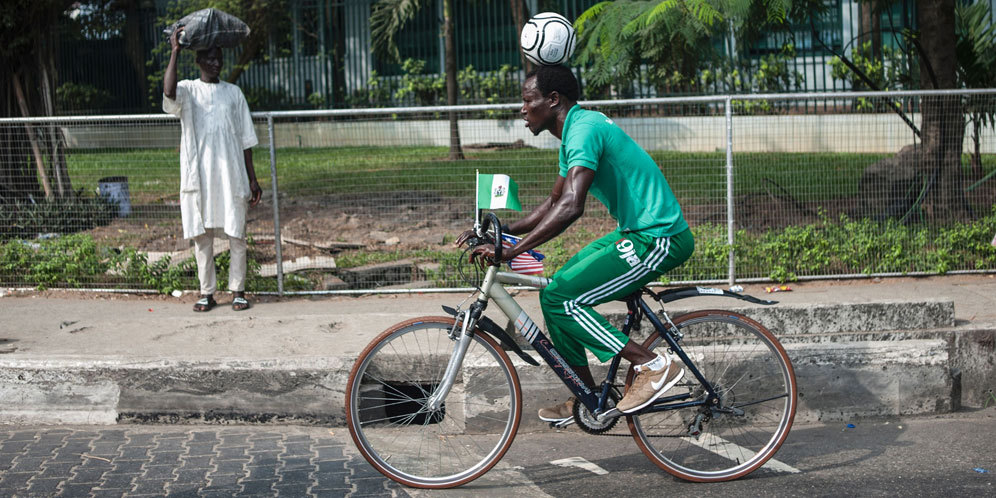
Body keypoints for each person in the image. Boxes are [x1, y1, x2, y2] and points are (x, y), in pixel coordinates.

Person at [460, 65, 695, 423]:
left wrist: (512, 250)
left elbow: (572, 206)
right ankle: (588, 399)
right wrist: (503, 231)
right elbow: (554, 201)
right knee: (554, 292)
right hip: (635, 232)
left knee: (563, 299)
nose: (522, 109)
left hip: (660, 237)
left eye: (528, 101)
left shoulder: (583, 130)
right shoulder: (573, 132)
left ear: (553, 100)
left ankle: (653, 364)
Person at [163, 27, 262, 312]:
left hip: (232, 176)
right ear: (198, 62)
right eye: (210, 58)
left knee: (237, 235)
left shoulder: (234, 93)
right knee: (202, 237)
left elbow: (246, 139)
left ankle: (238, 291)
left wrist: (253, 179)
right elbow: (168, 92)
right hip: (200, 177)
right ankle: (206, 293)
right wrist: (175, 51)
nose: (216, 63)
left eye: (219, 58)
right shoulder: (188, 90)